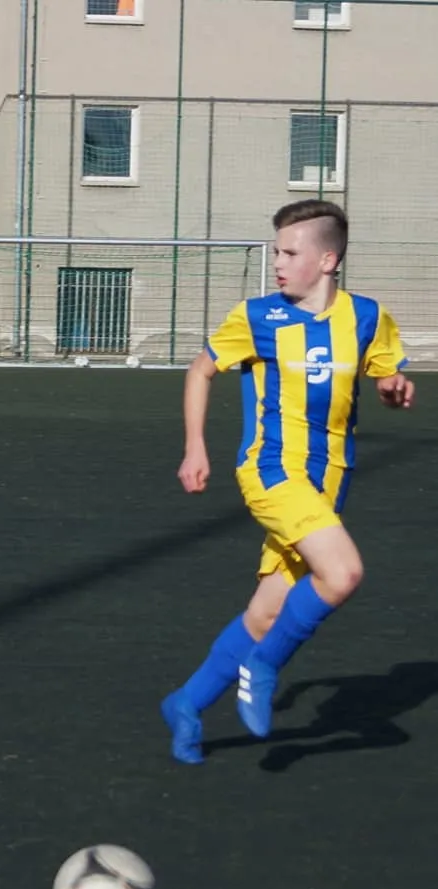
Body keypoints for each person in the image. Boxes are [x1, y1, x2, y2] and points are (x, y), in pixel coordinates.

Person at [161, 198, 414, 765]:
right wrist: (195, 445)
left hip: (329, 484)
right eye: (277, 251)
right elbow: (201, 369)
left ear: (327, 260)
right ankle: (264, 665)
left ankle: (187, 703)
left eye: (290, 253)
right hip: (272, 471)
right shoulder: (256, 318)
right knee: (343, 573)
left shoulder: (366, 317)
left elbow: (384, 371)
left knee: (267, 614)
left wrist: (392, 386)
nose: (277, 263)